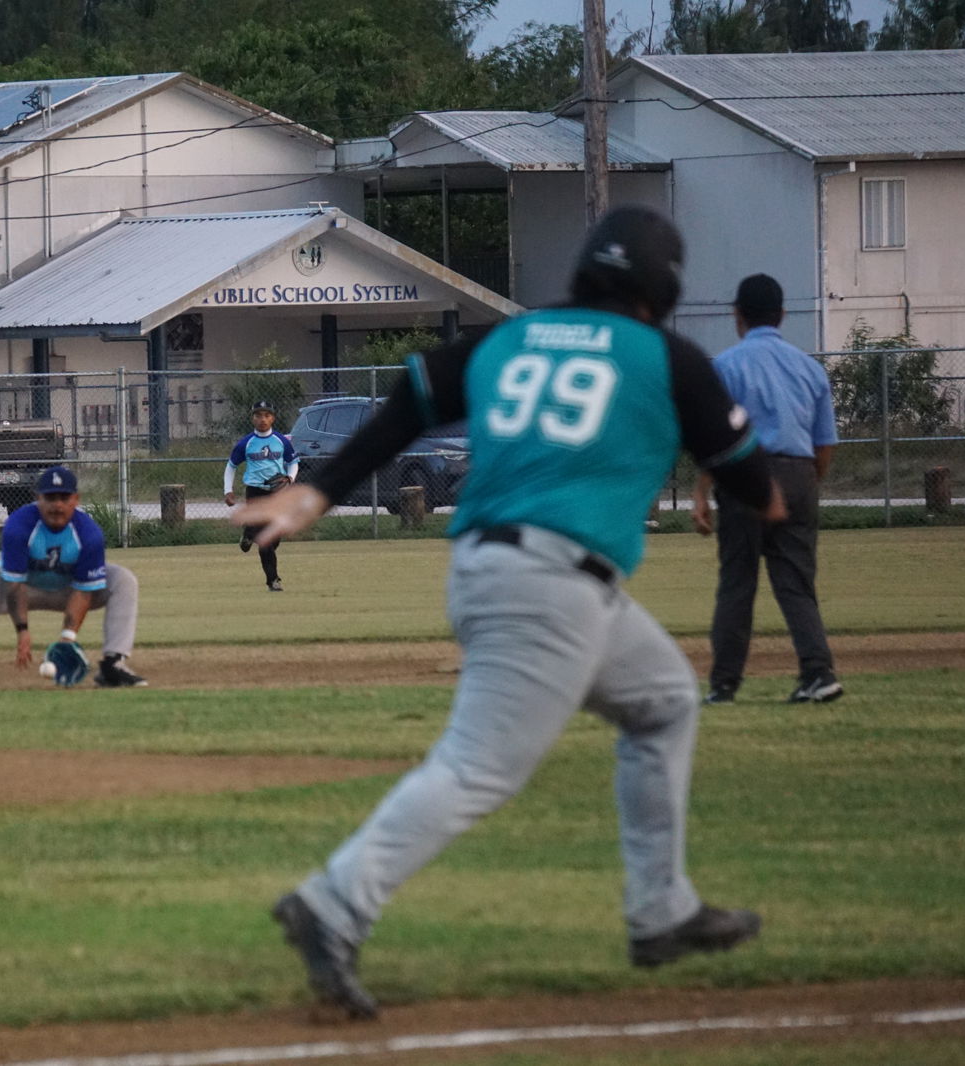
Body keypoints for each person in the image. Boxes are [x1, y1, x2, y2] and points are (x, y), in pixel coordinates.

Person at [235, 206, 784, 1020]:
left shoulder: (512, 338)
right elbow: (751, 483)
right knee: (476, 768)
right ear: (663, 286)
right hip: (551, 584)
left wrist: (323, 486)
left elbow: (411, 399)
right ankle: (333, 903)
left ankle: (661, 911)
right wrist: (768, 492)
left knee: (665, 700)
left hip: (510, 568)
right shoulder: (668, 358)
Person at [692, 274, 842, 705]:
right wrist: (806, 483)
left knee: (738, 582)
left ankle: (724, 685)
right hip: (799, 472)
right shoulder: (809, 368)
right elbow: (824, 444)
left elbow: (718, 436)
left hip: (746, 474)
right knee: (796, 584)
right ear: (782, 315)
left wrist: (703, 491)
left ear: (737, 314)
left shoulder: (725, 365)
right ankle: (818, 674)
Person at [0, 464, 147, 691]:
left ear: (75, 499)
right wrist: (23, 632)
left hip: (70, 590)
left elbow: (83, 591)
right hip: (21, 588)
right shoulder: (19, 525)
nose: (57, 504)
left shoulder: (88, 533)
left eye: (64, 497)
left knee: (123, 579)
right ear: (38, 498)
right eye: (50, 497)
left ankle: (113, 665)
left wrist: (67, 638)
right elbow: (14, 585)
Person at [223, 399, 299, 592]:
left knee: (274, 539)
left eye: (266, 415)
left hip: (277, 492)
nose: (262, 419)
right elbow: (231, 467)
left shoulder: (281, 441)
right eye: (258, 415)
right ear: (252, 419)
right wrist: (228, 490)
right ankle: (273, 580)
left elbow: (293, 463)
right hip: (255, 491)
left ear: (273, 418)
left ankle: (249, 532)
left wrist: (289, 479)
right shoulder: (246, 443)